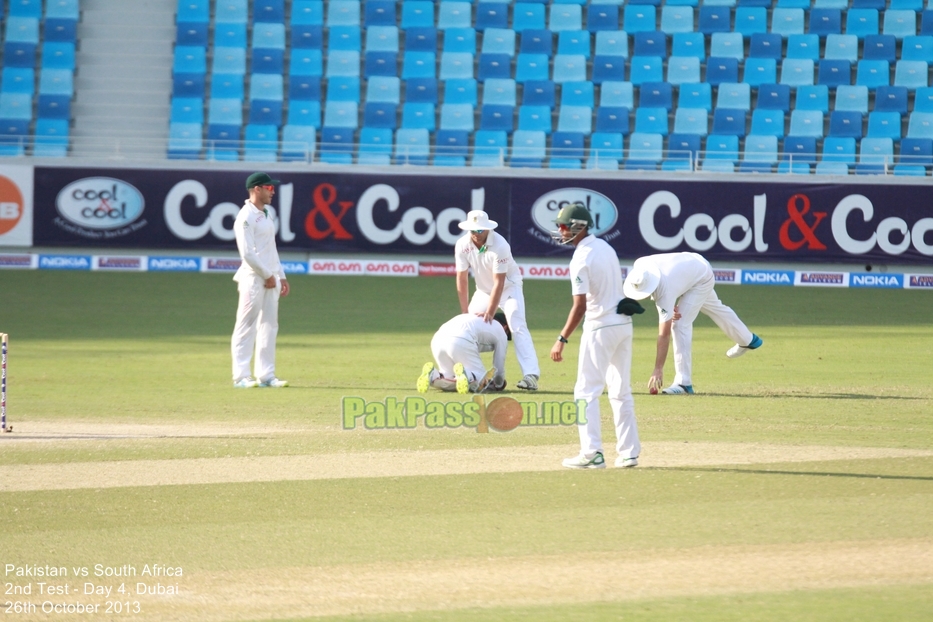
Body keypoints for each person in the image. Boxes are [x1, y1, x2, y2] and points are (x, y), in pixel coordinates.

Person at [549, 203, 641, 470]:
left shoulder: (581, 258)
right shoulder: (606, 248)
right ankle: (628, 453)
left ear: (579, 226)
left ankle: (592, 453)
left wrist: (562, 338)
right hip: (623, 325)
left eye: (563, 226)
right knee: (621, 391)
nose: (560, 230)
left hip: (600, 326)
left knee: (585, 392)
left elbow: (579, 306)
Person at [622, 252, 763, 396]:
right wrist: (670, 305)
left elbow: (663, 334)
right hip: (694, 265)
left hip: (701, 278)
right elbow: (674, 282)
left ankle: (684, 383)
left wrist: (658, 369)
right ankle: (748, 339)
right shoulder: (640, 264)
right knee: (714, 307)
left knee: (679, 324)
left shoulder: (665, 291)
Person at [455, 210, 540, 391]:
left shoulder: (500, 245)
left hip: (509, 287)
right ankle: (468, 374)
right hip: (483, 291)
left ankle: (530, 375)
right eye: (473, 231)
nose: (476, 235)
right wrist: (464, 312)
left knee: (517, 324)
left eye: (480, 231)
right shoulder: (462, 244)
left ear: (487, 229)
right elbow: (461, 279)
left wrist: (490, 313)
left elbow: (499, 282)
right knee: (466, 327)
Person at [231, 172, 290, 388]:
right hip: (253, 278)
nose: (272, 191)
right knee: (246, 325)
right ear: (257, 189)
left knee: (269, 325)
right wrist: (267, 275)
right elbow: (247, 253)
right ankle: (240, 377)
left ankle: (266, 376)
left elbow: (270, 249)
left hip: (271, 278)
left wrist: (280, 276)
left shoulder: (266, 213)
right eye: (269, 188)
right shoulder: (245, 217)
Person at [417, 312, 510, 394]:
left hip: (437, 340)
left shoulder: (476, 318)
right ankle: (468, 375)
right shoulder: (501, 330)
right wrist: (499, 383)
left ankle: (433, 375)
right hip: (460, 339)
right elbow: (499, 364)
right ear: (505, 327)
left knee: (448, 376)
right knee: (481, 382)